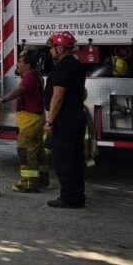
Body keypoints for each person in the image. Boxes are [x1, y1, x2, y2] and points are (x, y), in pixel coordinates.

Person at [0, 49, 47, 192]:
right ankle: (42, 181)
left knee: (25, 151)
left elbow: (18, 91)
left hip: (30, 121)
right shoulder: (37, 77)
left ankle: (29, 183)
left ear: (28, 66)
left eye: (20, 62)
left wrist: (1, 100)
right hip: (36, 119)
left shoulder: (29, 79)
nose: (17, 65)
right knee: (38, 150)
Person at [44, 30, 87, 208]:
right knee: (75, 158)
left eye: (52, 47)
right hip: (76, 116)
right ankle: (77, 195)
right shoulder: (77, 66)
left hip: (65, 119)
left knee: (63, 158)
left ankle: (69, 198)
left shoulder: (62, 68)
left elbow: (58, 96)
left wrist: (49, 121)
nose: (50, 51)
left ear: (60, 48)